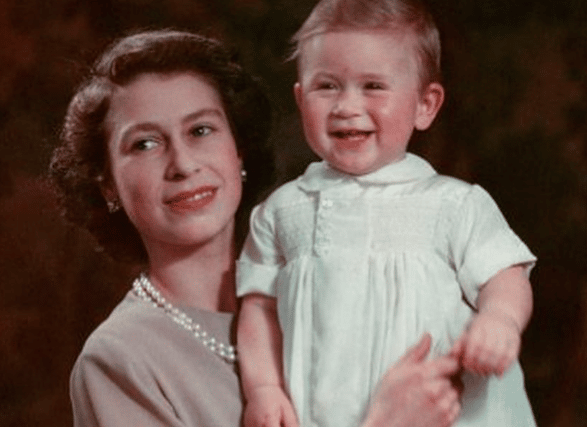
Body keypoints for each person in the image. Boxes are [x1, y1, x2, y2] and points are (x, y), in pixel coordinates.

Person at [49, 28, 463, 427]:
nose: (183, 164)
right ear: (107, 184)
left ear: (238, 150)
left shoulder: (319, 286)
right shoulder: (118, 360)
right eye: (145, 144)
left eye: (201, 130)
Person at [236, 0, 537, 426]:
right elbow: (259, 309)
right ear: (301, 99)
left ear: (424, 105)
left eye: (373, 86)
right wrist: (262, 387)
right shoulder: (282, 212)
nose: (346, 105)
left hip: (438, 409)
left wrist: (499, 319)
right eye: (327, 86)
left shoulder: (452, 204)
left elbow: (505, 274)